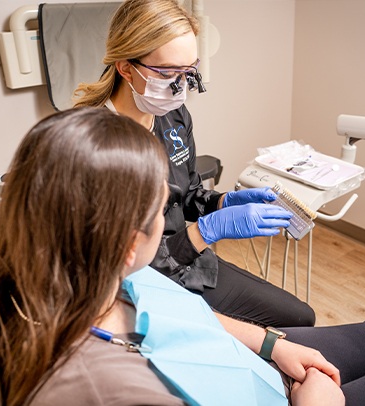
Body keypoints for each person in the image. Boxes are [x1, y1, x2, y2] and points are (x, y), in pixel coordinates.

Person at [0, 108, 365, 406]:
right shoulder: (103, 387)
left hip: (257, 363)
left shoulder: (82, 271)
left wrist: (270, 345)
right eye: (160, 211)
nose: (167, 215)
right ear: (126, 245)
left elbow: (179, 311)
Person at [73, 0, 315, 328]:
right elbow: (118, 266)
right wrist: (208, 230)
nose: (180, 86)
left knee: (301, 317)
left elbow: (187, 195)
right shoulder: (90, 145)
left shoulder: (173, 116)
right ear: (125, 66)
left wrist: (222, 202)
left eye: (188, 72)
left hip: (192, 264)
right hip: (137, 288)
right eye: (167, 73)